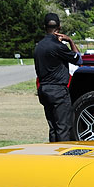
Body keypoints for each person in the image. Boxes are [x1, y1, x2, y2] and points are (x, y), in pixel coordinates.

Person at [34, 13, 81, 142]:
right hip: (58, 90)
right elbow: (78, 59)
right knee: (63, 127)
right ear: (59, 28)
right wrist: (70, 41)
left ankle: (54, 155)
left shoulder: (38, 47)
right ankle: (63, 158)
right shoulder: (58, 46)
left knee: (53, 127)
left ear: (45, 27)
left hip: (44, 90)